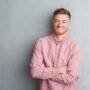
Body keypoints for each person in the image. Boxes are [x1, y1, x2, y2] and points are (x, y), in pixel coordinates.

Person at [30, 8, 81, 90]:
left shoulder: (74, 46)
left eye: (64, 22)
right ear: (53, 22)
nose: (60, 24)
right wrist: (59, 70)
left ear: (69, 24)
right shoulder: (41, 42)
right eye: (57, 21)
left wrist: (45, 74)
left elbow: (72, 77)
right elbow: (34, 72)